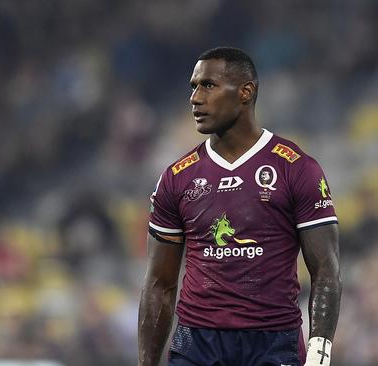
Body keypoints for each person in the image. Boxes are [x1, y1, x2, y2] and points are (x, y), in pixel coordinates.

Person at [138, 47, 341, 366]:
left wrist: (319, 352)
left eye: (208, 85)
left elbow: (326, 270)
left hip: (274, 342)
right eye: (193, 87)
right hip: (196, 344)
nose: (195, 98)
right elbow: (159, 284)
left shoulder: (296, 168)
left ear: (245, 92)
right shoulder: (177, 178)